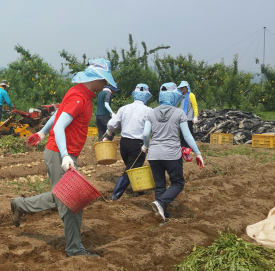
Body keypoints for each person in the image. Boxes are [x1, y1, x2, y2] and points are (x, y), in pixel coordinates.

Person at [12, 59, 117, 257]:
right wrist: (66, 155)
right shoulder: (78, 97)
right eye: (104, 80)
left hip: (62, 152)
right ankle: (74, 249)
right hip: (61, 154)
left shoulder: (80, 94)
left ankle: (20, 205)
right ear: (96, 78)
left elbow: (57, 115)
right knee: (71, 202)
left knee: (61, 196)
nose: (105, 85)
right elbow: (60, 126)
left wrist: (42, 133)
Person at [142, 82, 204, 223]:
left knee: (160, 184)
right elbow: (187, 136)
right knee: (177, 182)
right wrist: (197, 152)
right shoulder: (179, 113)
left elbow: (146, 134)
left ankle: (161, 216)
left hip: (154, 154)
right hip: (171, 154)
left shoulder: (151, 112)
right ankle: (161, 203)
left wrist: (146, 146)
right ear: (174, 96)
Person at [103, 84, 153, 201]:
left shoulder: (124, 108)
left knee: (132, 167)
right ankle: (115, 197)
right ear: (147, 96)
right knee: (130, 170)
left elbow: (111, 124)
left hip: (124, 143)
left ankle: (141, 191)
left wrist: (110, 132)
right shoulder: (149, 111)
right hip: (138, 144)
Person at [177, 81, 199, 149]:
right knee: (182, 133)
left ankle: (190, 147)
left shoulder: (191, 95)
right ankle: (183, 146)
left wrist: (195, 116)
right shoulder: (180, 96)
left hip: (189, 118)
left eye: (183, 87)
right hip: (181, 117)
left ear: (187, 87)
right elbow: (180, 106)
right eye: (181, 87)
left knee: (189, 133)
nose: (182, 88)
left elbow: (195, 106)